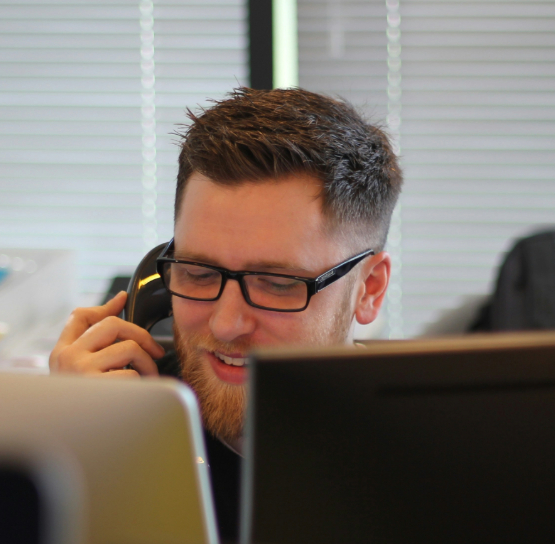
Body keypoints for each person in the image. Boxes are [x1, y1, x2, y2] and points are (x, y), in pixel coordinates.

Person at [49, 87, 401, 542]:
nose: (225, 324)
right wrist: (67, 448)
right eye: (197, 273)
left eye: (277, 284)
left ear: (369, 289)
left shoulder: (436, 465)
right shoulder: (114, 422)